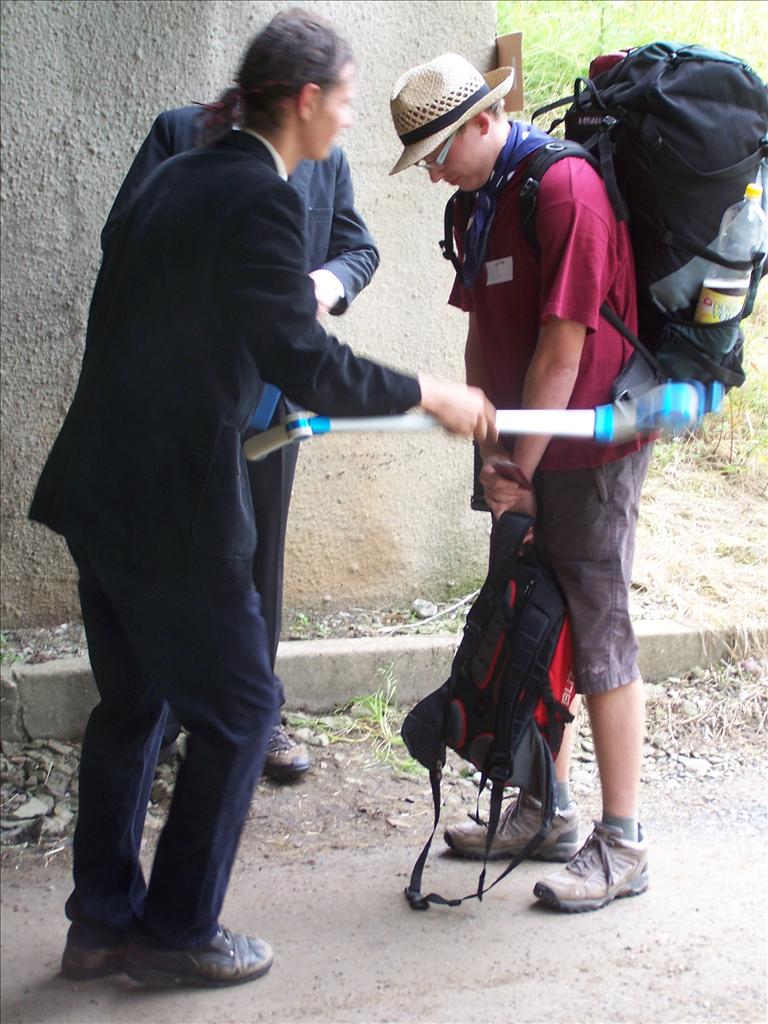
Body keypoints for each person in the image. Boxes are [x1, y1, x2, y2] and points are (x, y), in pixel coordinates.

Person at [30, 15, 495, 988]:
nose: (351, 118)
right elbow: (305, 359)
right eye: (348, 99)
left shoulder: (180, 175)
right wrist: (431, 393)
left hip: (99, 487)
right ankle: (175, 930)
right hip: (173, 502)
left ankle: (101, 924)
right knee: (243, 710)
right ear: (307, 99)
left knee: (132, 707)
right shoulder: (258, 196)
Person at [389, 53, 653, 913]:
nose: (432, 172)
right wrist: (492, 454)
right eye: (422, 161)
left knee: (599, 629)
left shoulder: (563, 190)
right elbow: (484, 336)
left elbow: (562, 351)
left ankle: (624, 843)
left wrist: (519, 469)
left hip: (587, 449)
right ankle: (546, 810)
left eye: (437, 152)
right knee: (528, 616)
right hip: (522, 454)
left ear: (482, 122)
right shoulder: (476, 201)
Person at [102, 104, 382, 783]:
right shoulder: (179, 133)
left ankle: (256, 715)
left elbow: (359, 249)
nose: (345, 118)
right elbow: (122, 236)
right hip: (179, 399)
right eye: (336, 99)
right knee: (169, 551)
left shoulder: (327, 159)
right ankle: (160, 718)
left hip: (271, 401)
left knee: (257, 558)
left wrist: (325, 283)